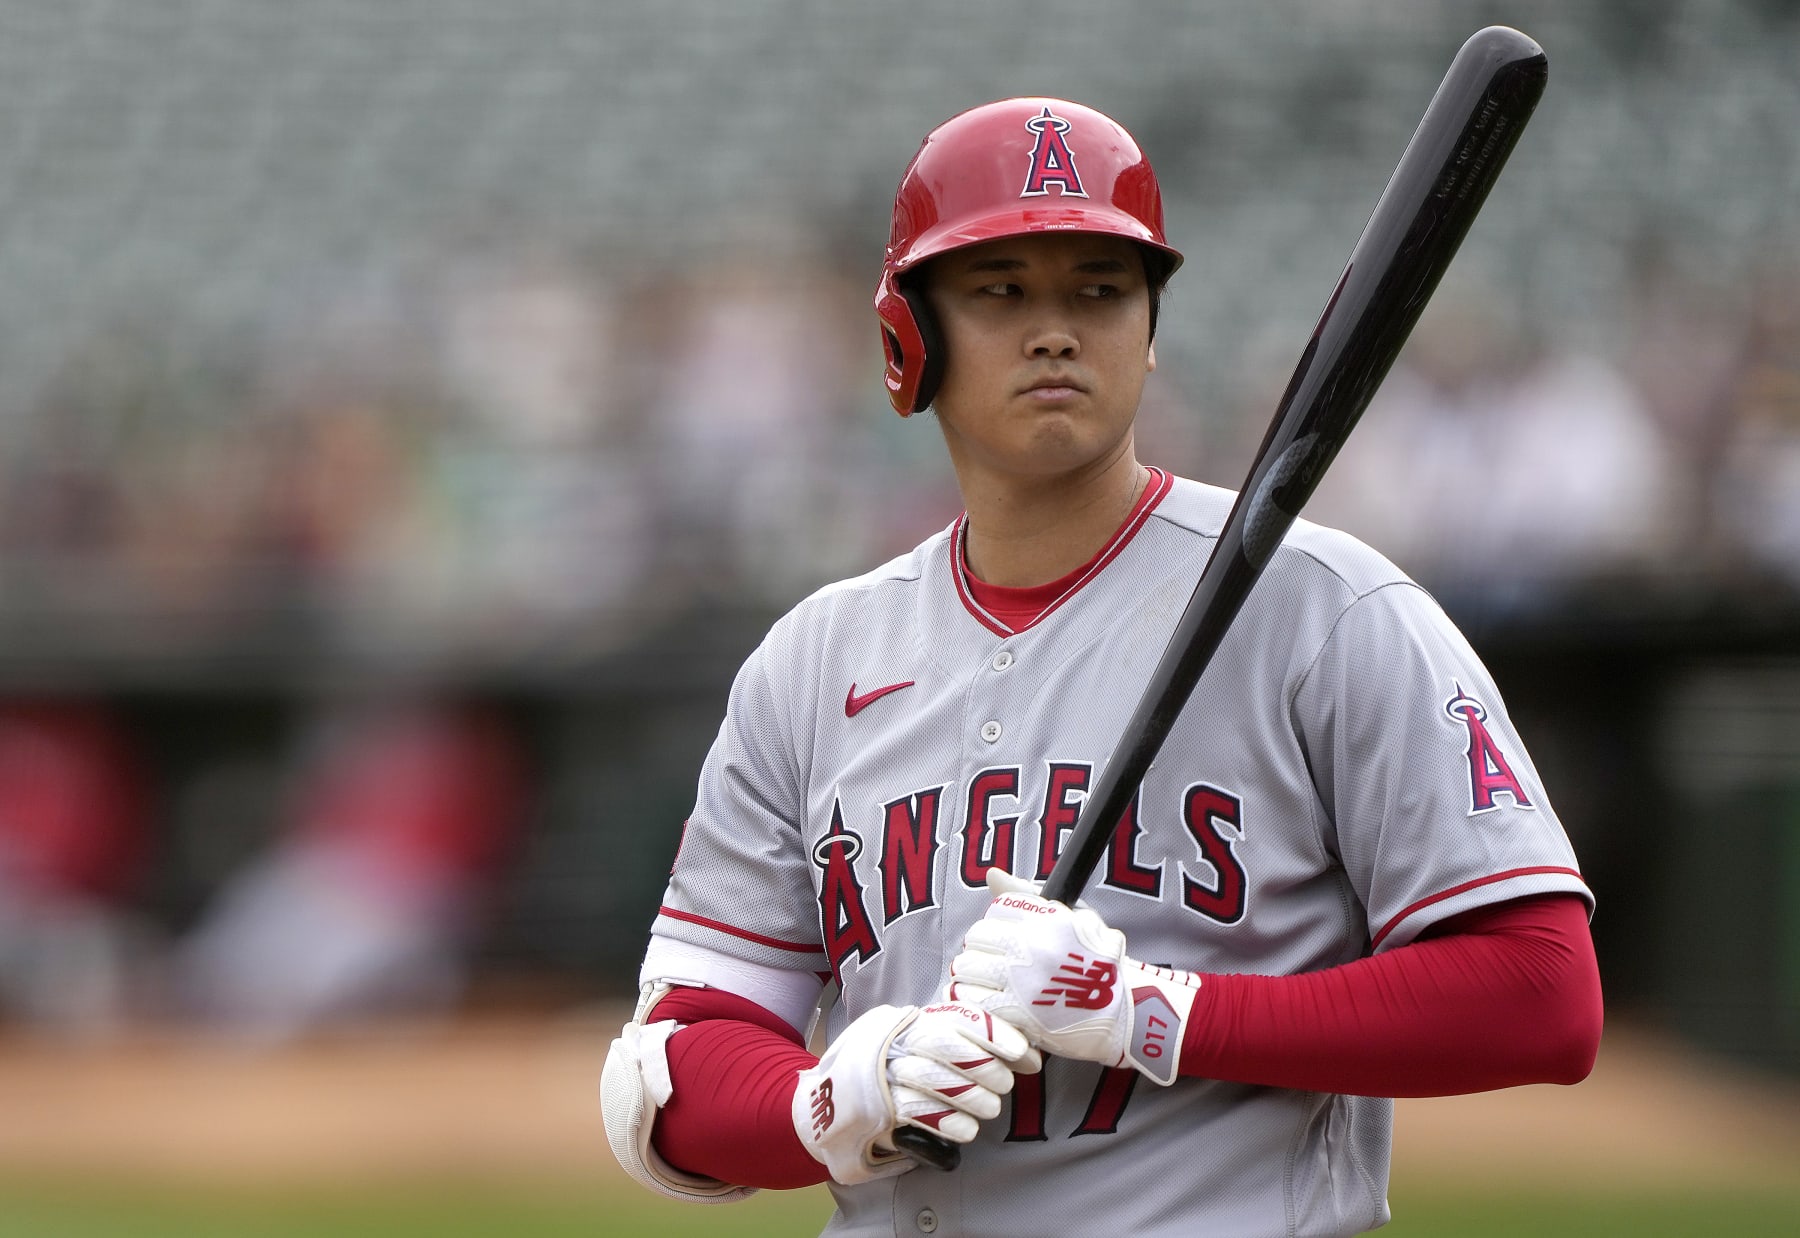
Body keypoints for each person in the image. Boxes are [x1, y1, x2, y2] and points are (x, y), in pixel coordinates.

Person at [601, 97, 1602, 1237]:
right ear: (907, 335)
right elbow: (671, 1065)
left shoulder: (1328, 609)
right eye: (1001, 290)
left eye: (1099, 288)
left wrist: (1149, 1011)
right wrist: (839, 1097)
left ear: (1149, 324)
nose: (1056, 330)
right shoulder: (813, 662)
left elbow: (1540, 993)